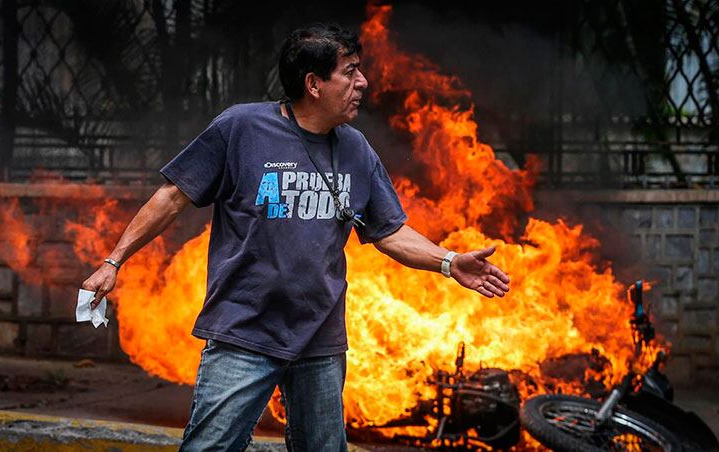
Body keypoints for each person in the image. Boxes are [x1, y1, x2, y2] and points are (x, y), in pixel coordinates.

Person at [81, 23, 510, 451]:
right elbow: (172, 196)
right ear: (314, 84)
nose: (362, 83)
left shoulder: (356, 149)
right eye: (350, 71)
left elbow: (389, 231)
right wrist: (113, 261)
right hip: (245, 332)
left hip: (319, 341)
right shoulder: (241, 129)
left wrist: (449, 262)